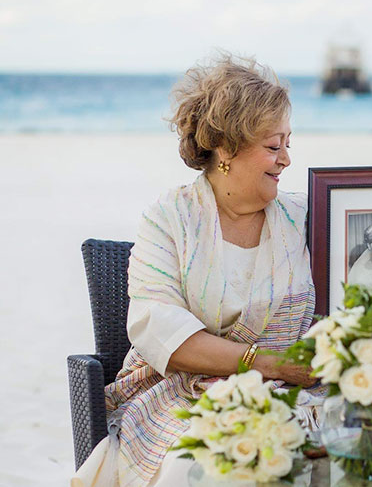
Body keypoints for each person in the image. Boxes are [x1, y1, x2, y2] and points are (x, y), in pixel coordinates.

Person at [72, 55, 320, 487]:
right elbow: (159, 328)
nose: (286, 161)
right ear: (226, 149)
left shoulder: (306, 216)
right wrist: (269, 364)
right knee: (205, 465)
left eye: (288, 144)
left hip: (299, 392)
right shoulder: (171, 218)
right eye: (273, 145)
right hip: (186, 392)